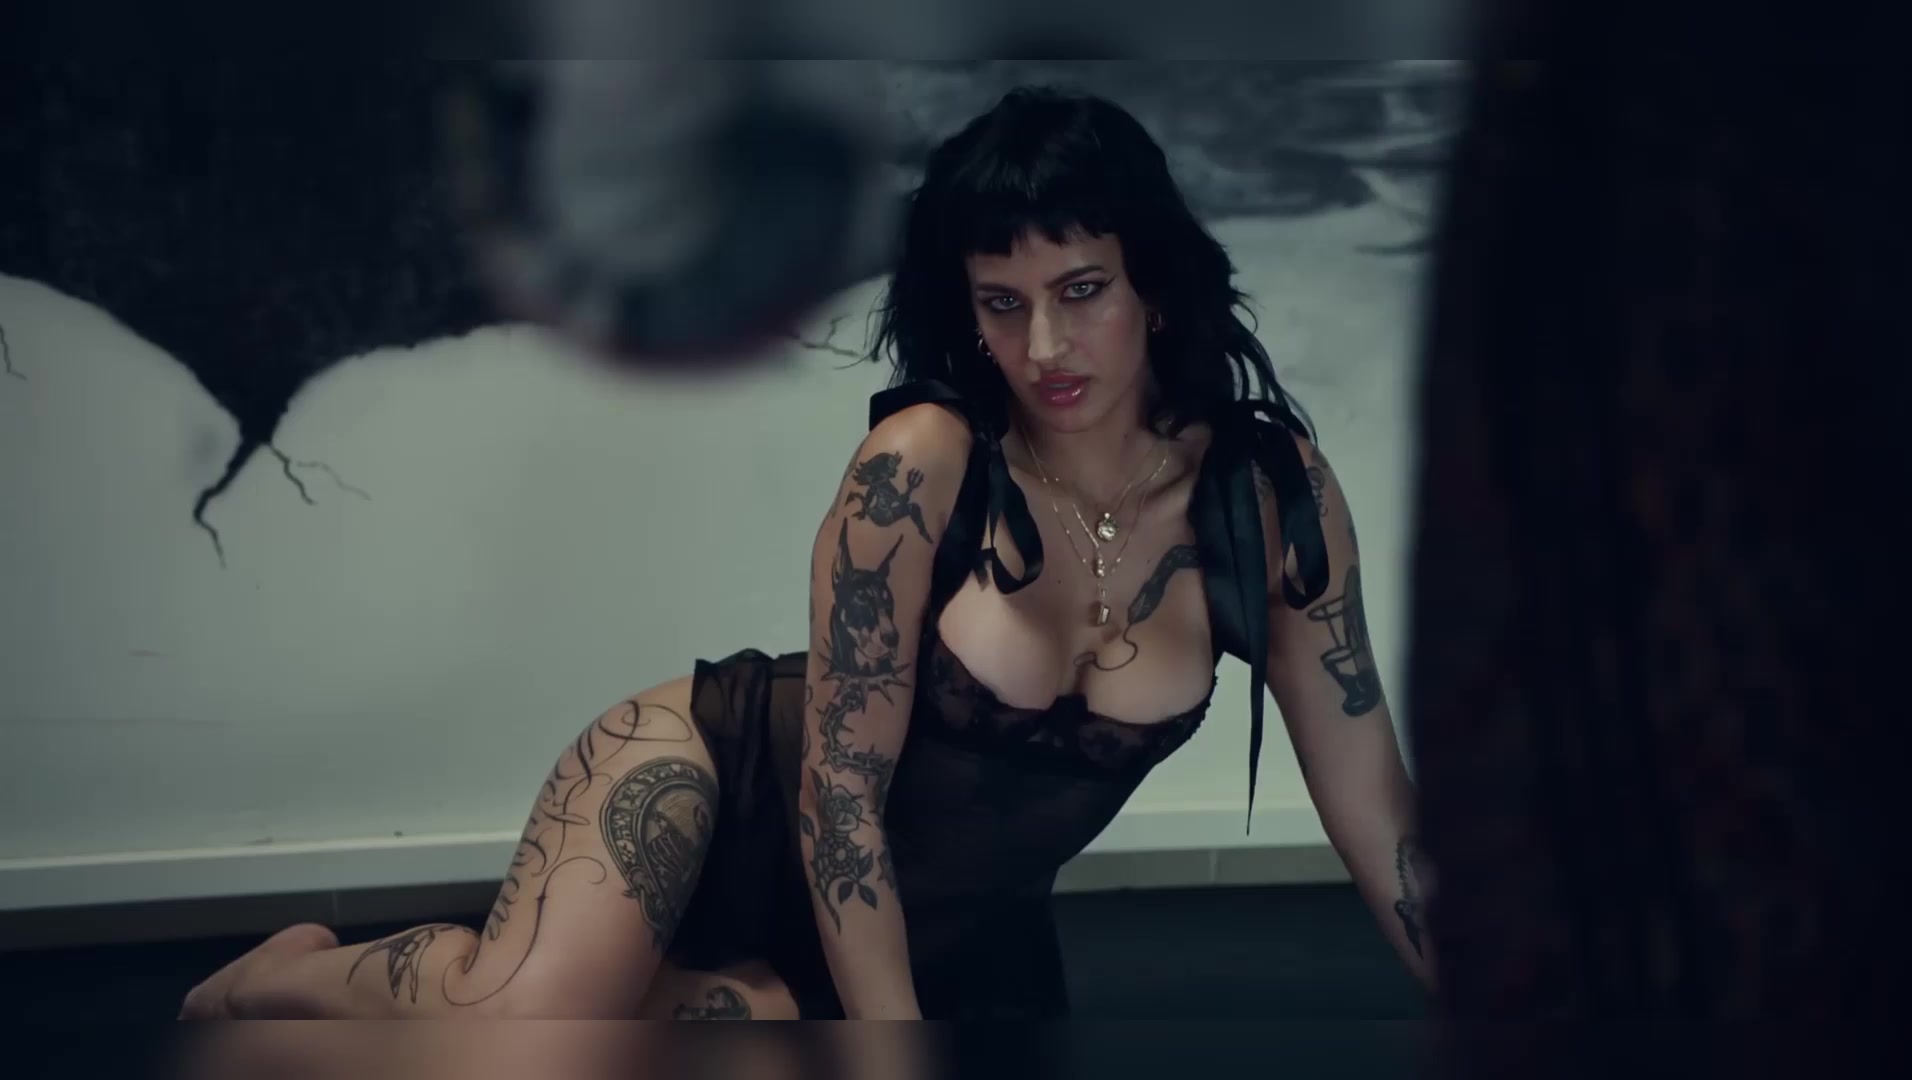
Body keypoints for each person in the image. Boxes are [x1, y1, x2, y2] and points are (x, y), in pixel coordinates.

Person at [179, 86, 1429, 1022]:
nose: (1045, 345)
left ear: (1152, 282)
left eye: (1082, 290)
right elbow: (838, 801)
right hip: (713, 786)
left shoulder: (1266, 500)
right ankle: (291, 977)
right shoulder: (923, 464)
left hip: (943, 933)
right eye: (1002, 302)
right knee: (523, 1041)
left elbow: (1375, 812)